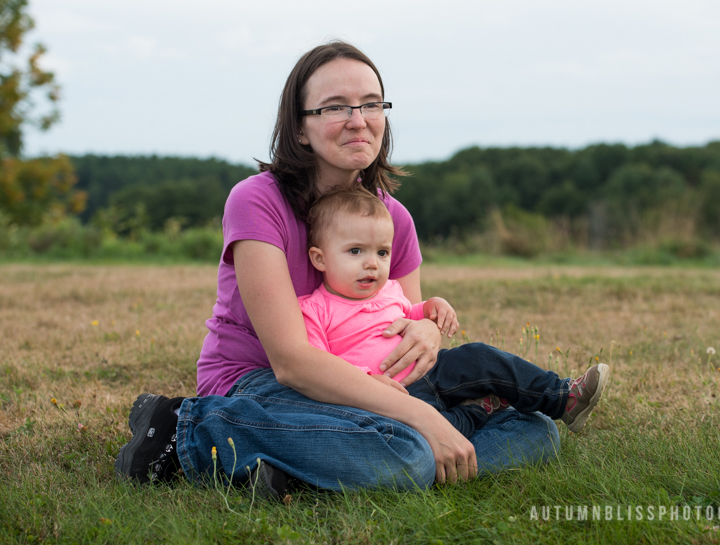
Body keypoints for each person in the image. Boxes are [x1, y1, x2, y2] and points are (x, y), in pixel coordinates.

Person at [115, 41, 567, 499]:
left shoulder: (395, 219)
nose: (358, 118)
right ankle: (186, 427)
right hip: (258, 379)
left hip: (369, 378)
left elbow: (399, 324)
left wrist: (427, 330)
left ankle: (300, 470)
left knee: (537, 429)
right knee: (408, 450)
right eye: (336, 107)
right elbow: (291, 362)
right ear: (299, 129)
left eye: (371, 104)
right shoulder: (257, 201)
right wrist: (422, 417)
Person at [299, 185, 610, 440]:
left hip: (434, 369)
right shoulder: (315, 309)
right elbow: (318, 366)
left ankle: (561, 396)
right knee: (429, 433)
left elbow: (411, 312)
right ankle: (477, 410)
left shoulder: (389, 289)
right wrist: (367, 383)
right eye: (356, 251)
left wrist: (432, 307)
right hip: (389, 398)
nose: (372, 263)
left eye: (382, 252)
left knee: (480, 356)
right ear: (319, 259)